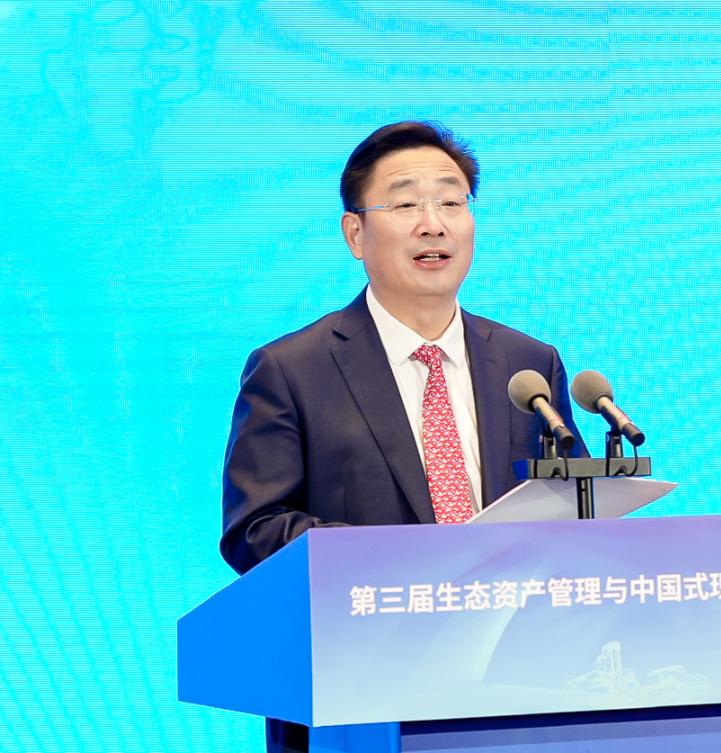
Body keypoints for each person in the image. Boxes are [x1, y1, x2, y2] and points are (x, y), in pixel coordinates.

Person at [219, 121, 588, 753]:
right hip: (358, 686)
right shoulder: (290, 369)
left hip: (517, 685)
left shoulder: (528, 365)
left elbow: (573, 506)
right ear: (355, 234)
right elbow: (255, 529)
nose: (433, 223)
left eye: (450, 201)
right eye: (406, 204)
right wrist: (410, 564)